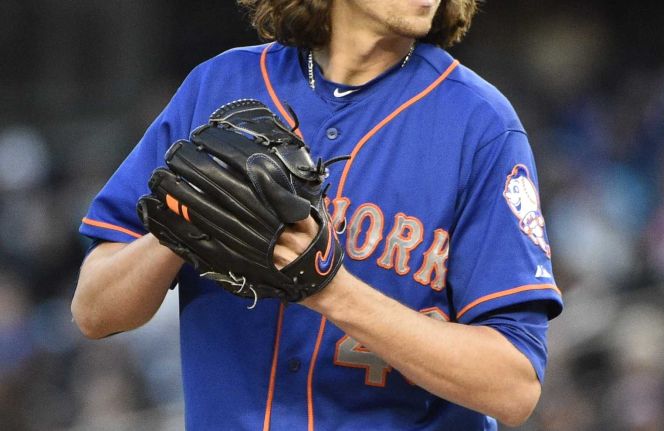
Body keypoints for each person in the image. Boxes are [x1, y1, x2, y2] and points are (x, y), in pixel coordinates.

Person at [72, 0, 563, 429]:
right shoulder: (220, 86)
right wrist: (186, 222)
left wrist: (331, 290)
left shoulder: (480, 125)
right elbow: (94, 311)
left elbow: (514, 387)